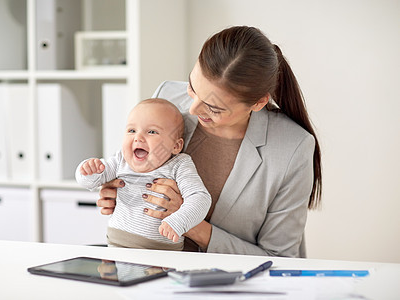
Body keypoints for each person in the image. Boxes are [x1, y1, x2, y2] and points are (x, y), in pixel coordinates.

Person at [97, 26, 322, 258]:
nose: (192, 109)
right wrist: (119, 191)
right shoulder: (167, 98)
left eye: (213, 108)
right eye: (192, 88)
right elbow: (129, 161)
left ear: (258, 103)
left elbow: (279, 259)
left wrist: (189, 222)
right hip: (145, 265)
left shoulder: (292, 147)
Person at [75, 98, 211, 251]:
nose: (138, 137)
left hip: (162, 251)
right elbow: (90, 182)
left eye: (152, 132)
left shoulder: (179, 164)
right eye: (132, 130)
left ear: (176, 146)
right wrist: (87, 170)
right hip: (117, 244)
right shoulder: (121, 159)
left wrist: (178, 221)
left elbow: (200, 198)